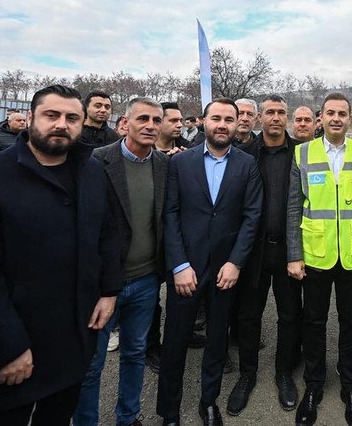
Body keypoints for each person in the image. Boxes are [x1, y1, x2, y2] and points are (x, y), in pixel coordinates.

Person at [0, 85, 122, 425]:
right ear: (30, 118)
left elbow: (108, 233)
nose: (61, 124)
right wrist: (8, 346)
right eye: (51, 115)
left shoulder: (92, 171)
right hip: (15, 344)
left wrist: (108, 290)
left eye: (71, 117)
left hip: (73, 337)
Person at [157, 98, 263, 426]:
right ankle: (169, 411)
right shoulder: (180, 163)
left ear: (237, 124)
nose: (222, 124)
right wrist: (177, 265)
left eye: (228, 119)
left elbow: (252, 216)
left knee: (217, 341)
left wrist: (236, 262)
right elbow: (170, 214)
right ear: (203, 121)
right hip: (185, 269)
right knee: (174, 343)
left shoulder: (246, 165)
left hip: (224, 270)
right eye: (216, 118)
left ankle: (209, 402)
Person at [286, 92, 352, 426]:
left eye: (342, 113)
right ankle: (314, 386)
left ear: (350, 118)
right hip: (315, 254)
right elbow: (295, 206)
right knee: (314, 322)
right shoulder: (303, 152)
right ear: (320, 117)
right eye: (330, 113)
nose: (336, 118)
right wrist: (294, 256)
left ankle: (350, 386)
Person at [74, 97, 168, 426]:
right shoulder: (97, 162)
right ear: (125, 123)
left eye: (156, 120)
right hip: (103, 286)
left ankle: (127, 418)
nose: (150, 126)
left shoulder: (163, 165)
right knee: (92, 363)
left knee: (134, 354)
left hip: (145, 281)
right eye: (143, 119)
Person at [228, 95, 303, 415]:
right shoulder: (243, 155)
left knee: (290, 315)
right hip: (253, 249)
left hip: (290, 249)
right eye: (269, 112)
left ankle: (284, 373)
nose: (275, 118)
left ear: (286, 118)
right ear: (259, 118)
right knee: (248, 315)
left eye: (280, 113)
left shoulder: (303, 154)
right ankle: (247, 375)